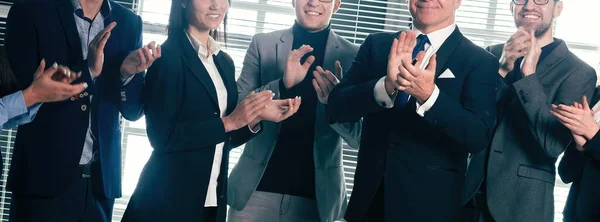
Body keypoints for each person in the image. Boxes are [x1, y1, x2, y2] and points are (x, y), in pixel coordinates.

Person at [121, 0, 300, 220]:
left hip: (210, 202)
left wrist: (255, 117)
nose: (216, 5)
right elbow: (161, 138)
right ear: (184, 3)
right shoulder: (167, 57)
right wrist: (230, 122)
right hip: (166, 202)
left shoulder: (223, 62)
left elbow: (221, 139)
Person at [326, 0, 499, 221]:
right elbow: (336, 107)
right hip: (368, 205)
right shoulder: (376, 45)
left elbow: (478, 137)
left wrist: (429, 97)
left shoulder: (479, 61)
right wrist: (386, 86)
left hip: (430, 209)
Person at [5, 0, 159, 220]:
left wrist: (126, 75)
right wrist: (87, 70)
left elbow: (132, 112)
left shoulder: (130, 22)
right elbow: (23, 98)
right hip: (42, 180)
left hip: (100, 186)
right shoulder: (30, 9)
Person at [462, 0, 597, 221]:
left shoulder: (579, 72)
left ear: (558, 8)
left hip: (521, 206)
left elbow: (552, 146)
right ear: (511, 7)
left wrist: (529, 76)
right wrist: (502, 70)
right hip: (465, 198)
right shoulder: (488, 56)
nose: (529, 5)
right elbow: (470, 122)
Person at [227, 0, 361, 220]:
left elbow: (359, 138)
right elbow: (236, 111)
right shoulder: (262, 44)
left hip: (316, 201)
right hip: (254, 194)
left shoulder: (353, 56)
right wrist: (281, 85)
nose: (313, 2)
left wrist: (335, 102)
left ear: (336, 4)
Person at [554, 92, 600, 222]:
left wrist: (593, 134)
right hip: (574, 215)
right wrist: (582, 148)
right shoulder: (595, 97)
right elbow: (566, 174)